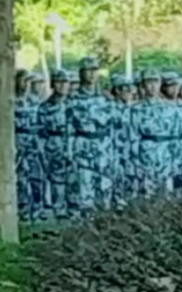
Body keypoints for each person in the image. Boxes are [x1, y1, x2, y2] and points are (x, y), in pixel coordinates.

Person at [67, 56, 115, 216]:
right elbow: (69, 127)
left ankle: (105, 225)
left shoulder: (106, 98)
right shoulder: (73, 98)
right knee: (85, 186)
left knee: (105, 186)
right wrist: (70, 151)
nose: (92, 74)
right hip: (83, 145)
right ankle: (86, 224)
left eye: (95, 70)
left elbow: (113, 125)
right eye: (88, 71)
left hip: (103, 146)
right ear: (81, 74)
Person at [130, 69, 175, 199]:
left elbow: (174, 135)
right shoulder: (136, 109)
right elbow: (133, 137)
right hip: (146, 155)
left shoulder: (170, 108)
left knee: (166, 195)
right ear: (143, 85)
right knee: (146, 194)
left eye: (156, 81)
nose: (153, 86)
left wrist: (176, 160)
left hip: (165, 155)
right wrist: (135, 162)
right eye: (149, 82)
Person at [37, 69, 73, 220]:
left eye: (65, 82)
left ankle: (74, 211)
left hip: (74, 144)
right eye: (59, 82)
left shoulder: (74, 104)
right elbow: (41, 133)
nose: (62, 86)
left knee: (74, 179)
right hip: (54, 144)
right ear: (52, 84)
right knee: (57, 180)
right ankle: (59, 211)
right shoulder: (45, 107)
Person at [14, 69, 44, 221]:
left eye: (28, 81)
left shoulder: (35, 101)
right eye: (23, 80)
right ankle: (23, 210)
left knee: (37, 177)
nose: (25, 85)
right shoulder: (9, 101)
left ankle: (38, 210)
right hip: (18, 143)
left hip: (34, 144)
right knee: (20, 179)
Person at [110, 75, 135, 208]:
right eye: (126, 89)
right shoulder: (110, 109)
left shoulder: (133, 109)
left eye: (131, 89)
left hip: (130, 149)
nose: (130, 92)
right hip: (114, 149)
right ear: (117, 91)